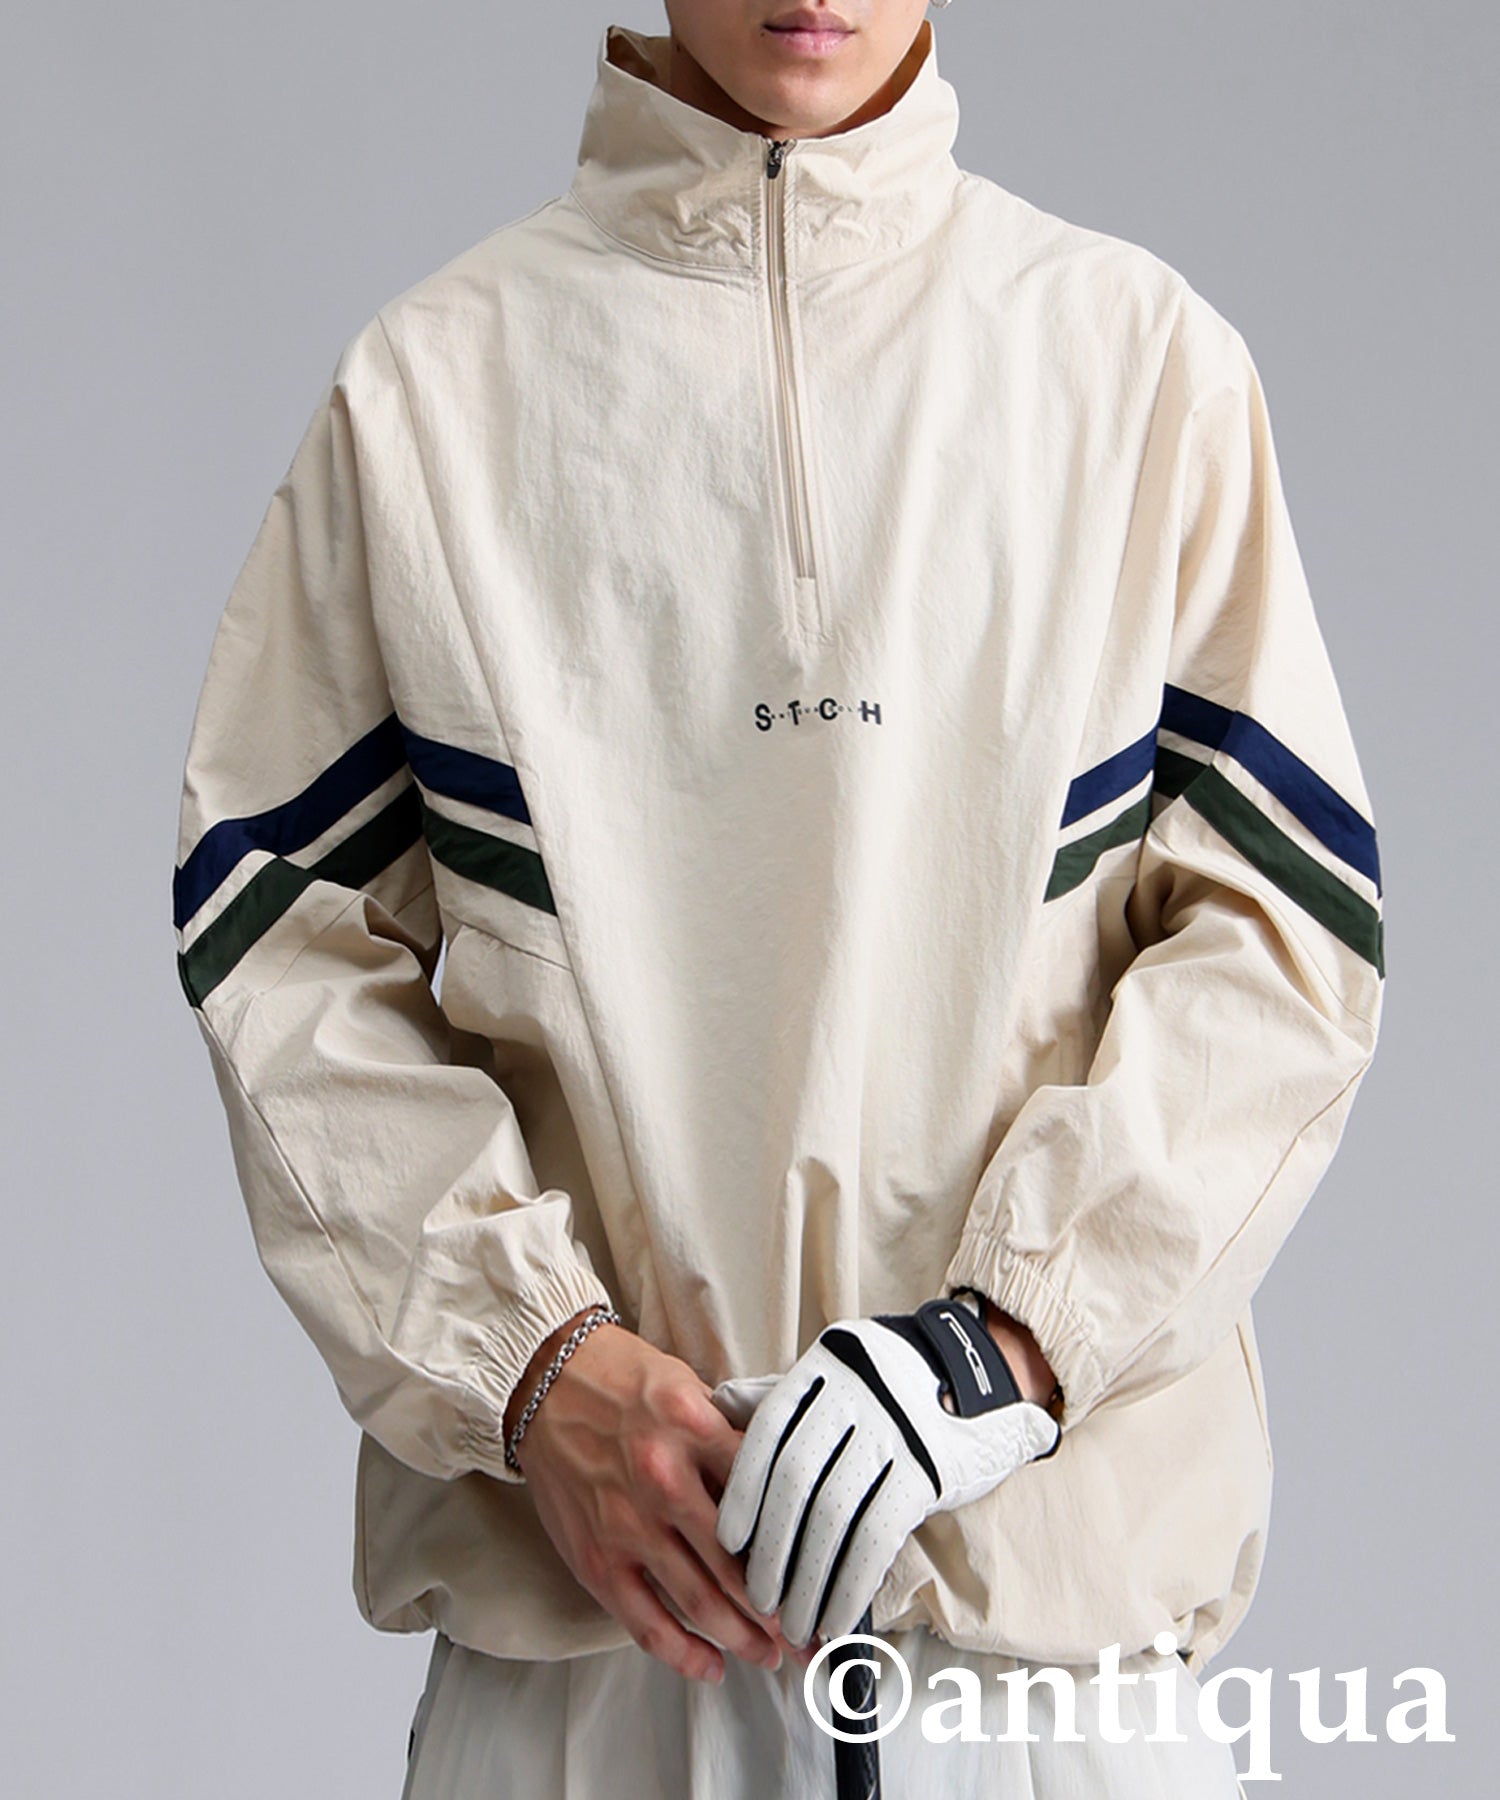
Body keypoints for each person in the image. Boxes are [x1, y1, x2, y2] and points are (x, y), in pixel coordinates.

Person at [171, 2, 1383, 1794]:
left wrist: (1007, 1345)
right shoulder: (431, 393)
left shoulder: (1137, 368)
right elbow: (279, 949)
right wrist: (532, 1365)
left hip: (1041, 1667)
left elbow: (1280, 949)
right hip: (597, 1672)